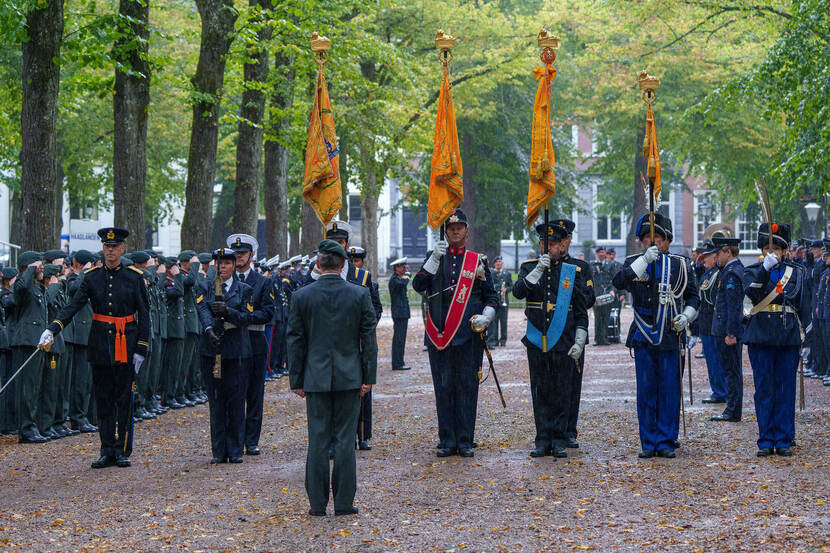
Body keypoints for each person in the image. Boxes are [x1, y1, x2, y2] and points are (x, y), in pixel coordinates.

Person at [39, 227, 150, 468]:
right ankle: (107, 449)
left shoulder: (134, 277)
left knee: (124, 399)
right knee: (103, 399)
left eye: (114, 246)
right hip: (101, 344)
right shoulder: (92, 277)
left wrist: (141, 347)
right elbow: (74, 305)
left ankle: (123, 449)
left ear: (122, 249)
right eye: (106, 246)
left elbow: (145, 314)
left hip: (126, 343)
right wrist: (53, 328)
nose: (110, 250)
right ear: (103, 248)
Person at [287, 239, 377, 516]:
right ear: (343, 265)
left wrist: (297, 379)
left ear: (317, 263)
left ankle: (316, 504)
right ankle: (343, 502)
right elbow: (368, 340)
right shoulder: (359, 294)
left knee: (318, 440)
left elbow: (295, 340)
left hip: (315, 377)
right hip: (350, 376)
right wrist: (368, 376)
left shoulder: (301, 296)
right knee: (345, 441)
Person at [411, 208, 499, 458]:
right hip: (440, 334)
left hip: (468, 334)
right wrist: (433, 261)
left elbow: (491, 296)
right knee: (444, 387)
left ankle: (465, 440)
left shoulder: (476, 261)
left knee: (467, 387)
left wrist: (487, 315)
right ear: (445, 232)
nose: (455, 230)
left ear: (467, 231)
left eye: (459, 227)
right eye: (451, 228)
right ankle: (447, 440)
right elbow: (418, 286)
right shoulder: (434, 256)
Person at [612, 213, 699, 459]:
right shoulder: (634, 261)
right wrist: (641, 262)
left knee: (669, 389)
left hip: (671, 333)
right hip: (643, 334)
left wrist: (687, 316)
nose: (652, 242)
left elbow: (693, 296)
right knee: (647, 389)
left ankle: (666, 440)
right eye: (647, 238)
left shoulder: (680, 264)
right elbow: (618, 282)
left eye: (657, 238)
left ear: (667, 240)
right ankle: (648, 441)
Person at [512, 220, 589, 458]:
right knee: (540, 389)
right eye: (545, 242)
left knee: (561, 389)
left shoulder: (571, 271)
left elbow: (581, 306)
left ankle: (558, 438)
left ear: (562, 245)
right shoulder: (529, 267)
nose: (548, 247)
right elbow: (518, 292)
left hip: (563, 336)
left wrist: (579, 338)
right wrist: (537, 271)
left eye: (553, 243)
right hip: (537, 336)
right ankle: (542, 438)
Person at [307, 222, 382, 451]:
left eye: (340, 243)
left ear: (347, 245)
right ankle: (330, 439)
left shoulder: (362, 275)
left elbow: (375, 308)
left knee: (360, 391)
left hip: (354, 342)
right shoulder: (316, 275)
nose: (336, 247)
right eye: (332, 243)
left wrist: (362, 328)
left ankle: (361, 434)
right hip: (326, 345)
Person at [743, 223, 810, 456]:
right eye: (767, 248)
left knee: (784, 389)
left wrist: (806, 339)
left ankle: (782, 438)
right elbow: (751, 292)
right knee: (764, 389)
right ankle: (765, 439)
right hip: (760, 335)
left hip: (787, 335)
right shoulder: (753, 270)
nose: (771, 252)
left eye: (776, 248)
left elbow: (804, 306)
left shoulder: (797, 272)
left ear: (784, 250)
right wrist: (764, 269)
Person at [195, 248, 254, 464]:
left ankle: (236, 449)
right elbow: (201, 308)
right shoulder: (206, 286)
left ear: (233, 266)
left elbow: (247, 317)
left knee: (236, 401)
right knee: (217, 401)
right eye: (220, 264)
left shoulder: (244, 289)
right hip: (214, 351)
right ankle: (218, 451)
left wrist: (228, 311)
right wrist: (209, 329)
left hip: (237, 352)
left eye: (227, 263)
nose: (223, 267)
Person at [227, 233, 276, 456]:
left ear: (251, 255)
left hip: (255, 339)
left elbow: (268, 312)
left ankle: (251, 439)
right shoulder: (227, 282)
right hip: (233, 340)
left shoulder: (263, 282)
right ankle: (235, 437)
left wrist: (245, 317)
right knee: (235, 391)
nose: (239, 257)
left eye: (243, 254)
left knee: (255, 393)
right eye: (236, 254)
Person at [557, 221, 595, 448]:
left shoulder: (581, 267)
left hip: (573, 332)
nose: (559, 244)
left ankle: (569, 429)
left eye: (563, 240)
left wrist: (571, 286)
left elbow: (589, 298)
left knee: (572, 384)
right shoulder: (544, 266)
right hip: (550, 334)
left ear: (568, 242)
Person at [10, 251, 49, 444]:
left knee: (33, 387)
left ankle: (31, 426)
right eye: (38, 263)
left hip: (37, 342)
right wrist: (30, 269)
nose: (42, 266)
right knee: (26, 387)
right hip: (25, 342)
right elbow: (21, 287)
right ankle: (26, 429)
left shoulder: (36, 287)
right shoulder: (22, 286)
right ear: (28, 266)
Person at [709, 235, 745, 423]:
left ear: (728, 252)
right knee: (730, 370)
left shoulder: (732, 272)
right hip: (723, 329)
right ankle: (732, 408)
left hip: (726, 331)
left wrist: (731, 332)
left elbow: (733, 306)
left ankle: (732, 410)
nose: (716, 257)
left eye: (718, 253)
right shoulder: (728, 270)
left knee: (732, 372)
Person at [695, 240, 727, 404]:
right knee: (711, 360)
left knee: (716, 360)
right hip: (706, 322)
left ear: (715, 257)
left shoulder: (719, 273)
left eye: (707, 257)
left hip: (714, 321)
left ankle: (721, 391)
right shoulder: (707, 273)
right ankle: (718, 390)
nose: (704, 259)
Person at [389, 257, 411, 371]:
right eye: (403, 266)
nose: (405, 268)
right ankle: (397, 363)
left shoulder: (398, 278)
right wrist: (408, 275)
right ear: (396, 267)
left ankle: (399, 362)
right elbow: (402, 284)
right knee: (399, 339)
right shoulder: (394, 280)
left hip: (402, 313)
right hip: (399, 314)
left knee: (400, 339)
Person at [487, 256, 513, 348]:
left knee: (503, 321)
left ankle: (503, 340)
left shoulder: (507, 274)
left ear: (502, 263)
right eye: (497, 262)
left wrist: (507, 289)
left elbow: (511, 286)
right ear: (494, 264)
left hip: (504, 301)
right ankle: (493, 340)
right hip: (494, 301)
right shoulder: (490, 273)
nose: (498, 263)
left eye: (500, 261)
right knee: (493, 322)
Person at [591, 247, 612, 346]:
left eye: (603, 252)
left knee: (606, 317)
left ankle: (605, 338)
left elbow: (614, 279)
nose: (601, 254)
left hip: (607, 294)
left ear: (605, 253)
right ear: (597, 254)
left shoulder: (610, 265)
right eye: (599, 252)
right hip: (596, 294)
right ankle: (597, 339)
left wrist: (613, 290)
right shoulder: (592, 265)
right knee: (597, 318)